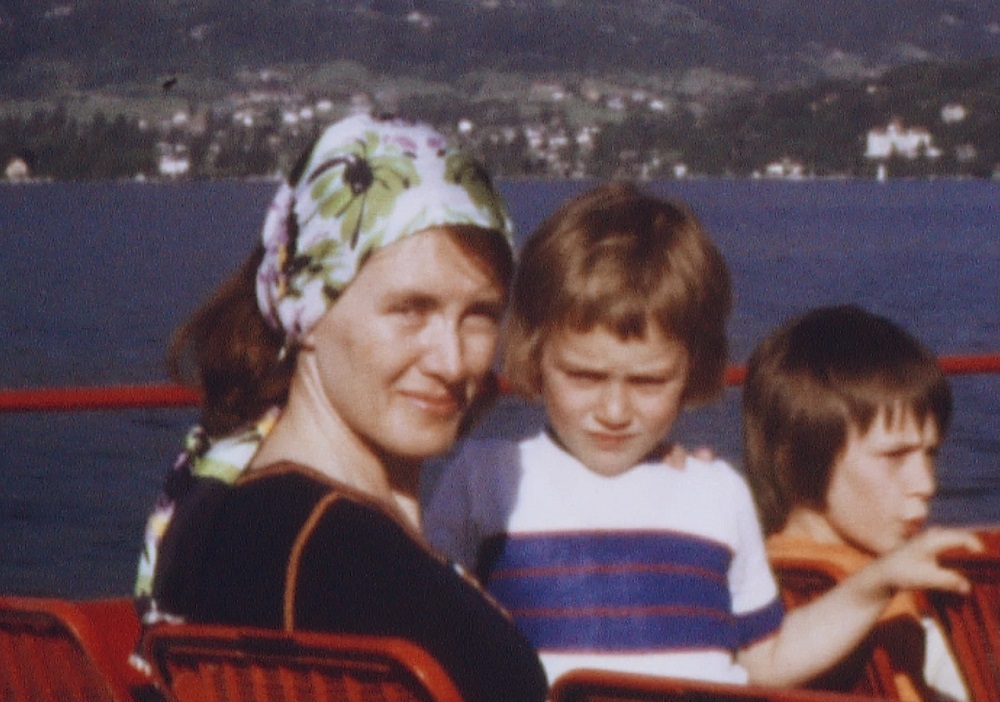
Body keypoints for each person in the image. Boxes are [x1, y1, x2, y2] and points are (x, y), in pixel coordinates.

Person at [422, 182, 980, 688]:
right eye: (585, 376)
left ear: (694, 371)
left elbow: (768, 660)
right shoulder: (486, 479)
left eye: (649, 381)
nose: (614, 410)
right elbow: (426, 624)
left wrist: (878, 583)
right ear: (535, 357)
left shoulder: (716, 492)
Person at [133, 113, 548, 701]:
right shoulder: (360, 566)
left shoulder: (209, 506)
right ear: (307, 310)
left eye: (480, 314)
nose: (454, 362)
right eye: (411, 309)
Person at [743, 304, 971, 701]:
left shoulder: (763, 569)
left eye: (930, 454)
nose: (926, 484)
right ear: (800, 459)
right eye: (894, 456)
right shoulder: (848, 587)